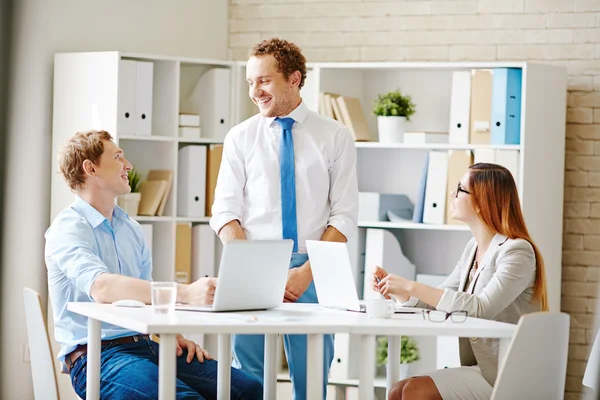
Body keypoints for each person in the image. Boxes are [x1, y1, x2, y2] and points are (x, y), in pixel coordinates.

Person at [45, 130, 263, 400]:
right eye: (117, 157)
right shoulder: (68, 228)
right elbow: (101, 287)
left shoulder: (130, 228)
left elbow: (146, 300)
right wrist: (185, 293)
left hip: (147, 344)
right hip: (97, 356)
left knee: (249, 390)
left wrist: (174, 334)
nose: (128, 165)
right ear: (91, 168)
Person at [209, 38, 359, 399]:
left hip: (313, 267)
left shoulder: (335, 136)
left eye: (263, 80)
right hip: (252, 263)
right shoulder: (240, 137)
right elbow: (224, 212)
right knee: (248, 382)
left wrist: (306, 272)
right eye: (250, 83)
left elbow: (345, 215)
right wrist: (250, 267)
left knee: (310, 382)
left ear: (294, 78)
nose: (255, 91)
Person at [372, 163, 548, 400]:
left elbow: (481, 308)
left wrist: (411, 286)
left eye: (460, 189)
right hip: (484, 369)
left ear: (481, 201)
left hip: (509, 374)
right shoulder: (472, 249)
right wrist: (399, 291)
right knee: (396, 390)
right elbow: (441, 297)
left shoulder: (517, 252)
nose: (452, 195)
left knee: (412, 391)